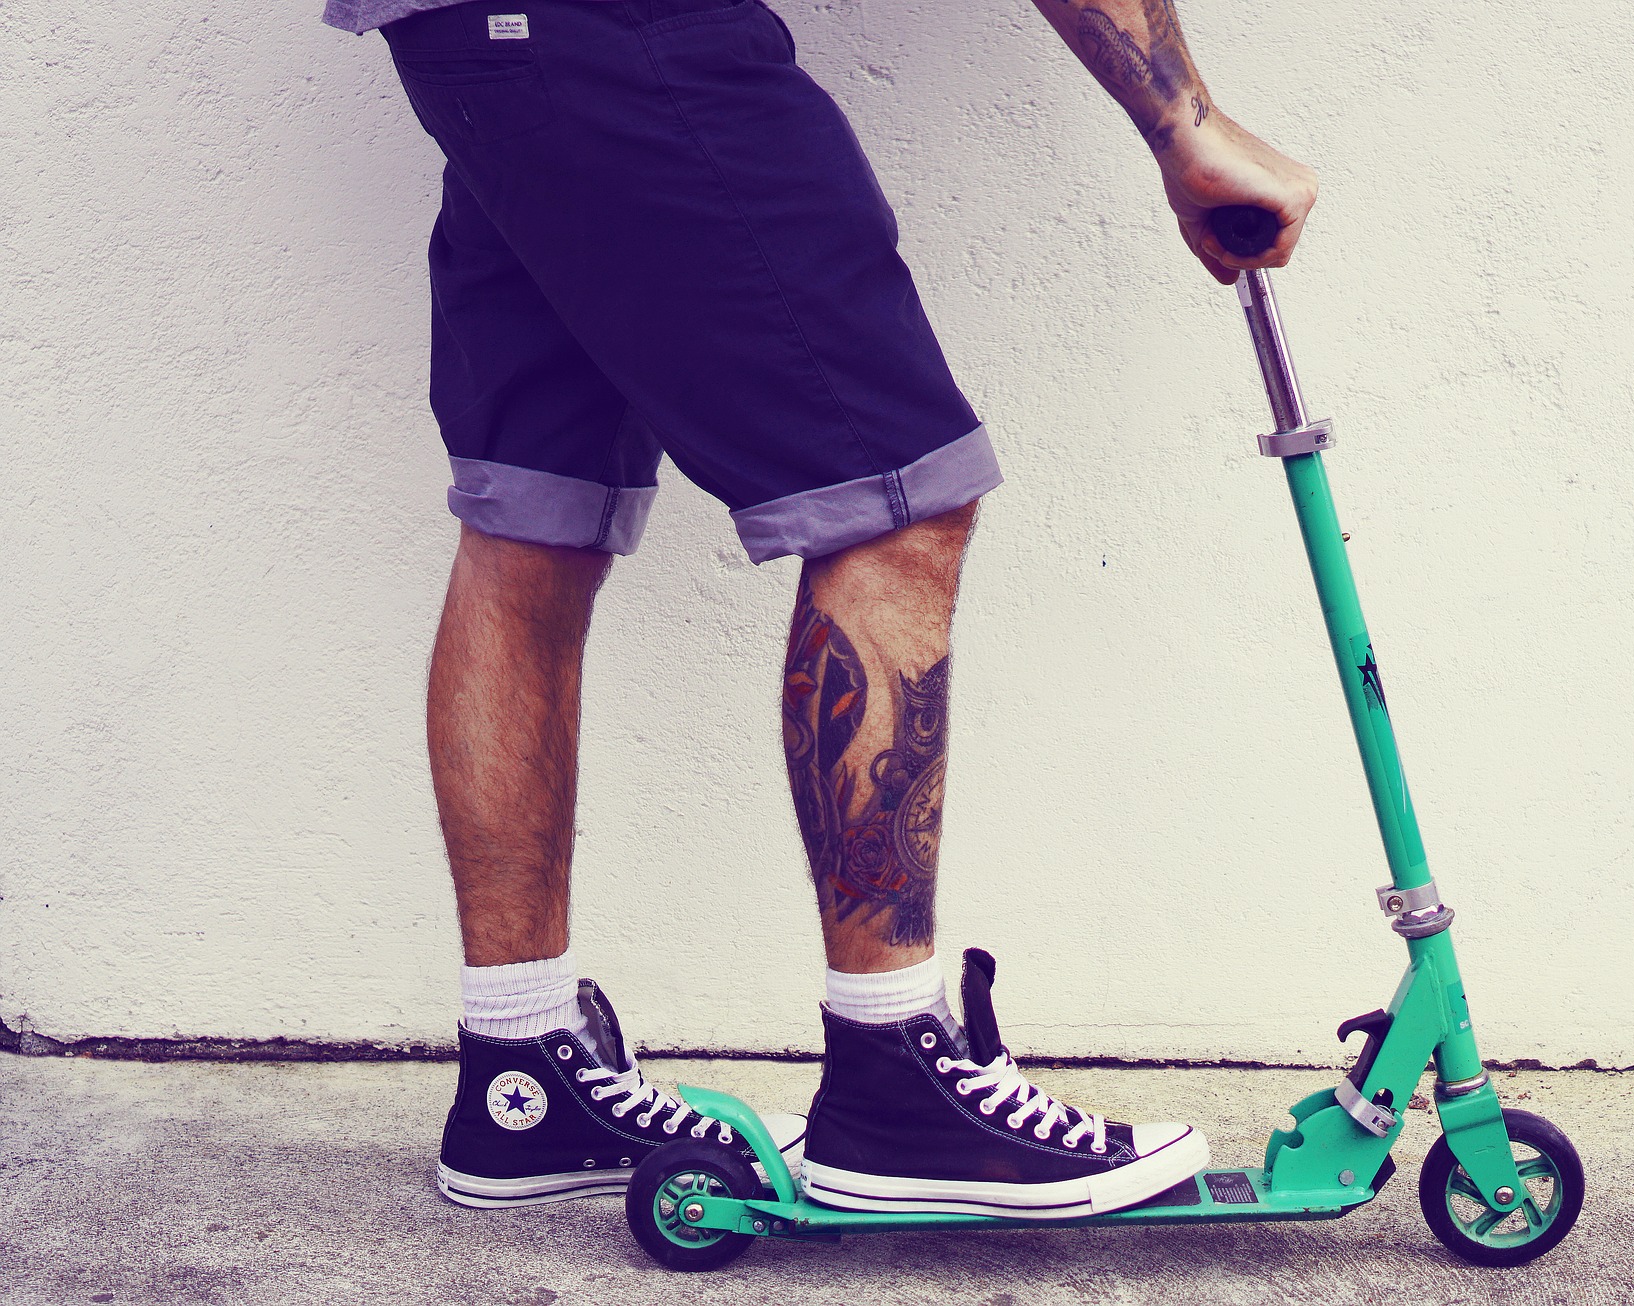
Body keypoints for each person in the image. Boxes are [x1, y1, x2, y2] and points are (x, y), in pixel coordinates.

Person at [324, 0, 1316, 1217]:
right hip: (621, 26)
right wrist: (1184, 121)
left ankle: (520, 1075)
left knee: (533, 510)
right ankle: (895, 1090)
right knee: (895, 506)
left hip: (474, 42)